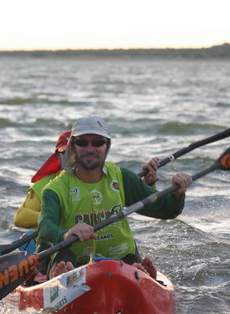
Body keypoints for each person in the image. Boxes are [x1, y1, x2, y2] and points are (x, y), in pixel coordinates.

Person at [38, 116, 193, 279]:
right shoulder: (54, 189)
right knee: (64, 257)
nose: (90, 149)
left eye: (98, 142)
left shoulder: (122, 177)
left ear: (107, 146)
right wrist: (66, 234)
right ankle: (63, 276)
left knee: (130, 258)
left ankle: (135, 268)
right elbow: (45, 226)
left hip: (121, 260)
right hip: (74, 262)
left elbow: (166, 210)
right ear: (73, 147)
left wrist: (177, 193)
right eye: (82, 142)